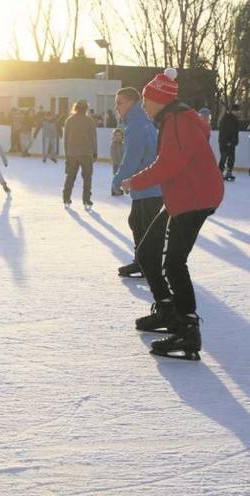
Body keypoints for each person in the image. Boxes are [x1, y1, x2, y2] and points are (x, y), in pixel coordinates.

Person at [121, 68, 224, 361]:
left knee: (174, 263)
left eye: (146, 100)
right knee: (147, 252)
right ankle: (167, 311)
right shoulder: (172, 119)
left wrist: (135, 180)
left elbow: (169, 164)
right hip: (184, 195)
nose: (143, 105)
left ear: (160, 100)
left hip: (195, 197)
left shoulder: (177, 121)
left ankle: (188, 331)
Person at [111, 87, 164, 278]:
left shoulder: (136, 126)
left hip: (151, 186)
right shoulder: (142, 123)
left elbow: (132, 158)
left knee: (147, 225)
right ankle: (144, 262)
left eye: (120, 103)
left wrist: (117, 180)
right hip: (146, 186)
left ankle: (152, 265)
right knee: (137, 222)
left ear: (132, 103)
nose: (116, 108)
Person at [62, 100, 97, 209]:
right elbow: (93, 138)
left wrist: (67, 152)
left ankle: (66, 197)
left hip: (72, 153)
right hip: (86, 153)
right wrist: (95, 152)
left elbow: (65, 139)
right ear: (86, 108)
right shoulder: (89, 121)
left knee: (70, 176)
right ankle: (86, 200)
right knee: (87, 177)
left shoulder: (69, 120)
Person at [217, 103, 240, 181]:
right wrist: (228, 141)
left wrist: (235, 142)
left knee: (231, 158)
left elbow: (235, 132)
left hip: (231, 143)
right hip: (225, 142)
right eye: (236, 111)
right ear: (233, 110)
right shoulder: (228, 118)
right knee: (224, 157)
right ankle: (220, 173)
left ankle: (228, 173)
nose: (238, 112)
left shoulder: (234, 119)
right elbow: (225, 131)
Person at [110, 128, 124, 196]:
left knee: (120, 177)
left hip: (122, 163)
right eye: (116, 135)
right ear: (113, 136)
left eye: (119, 135)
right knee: (116, 177)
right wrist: (117, 163)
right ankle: (114, 190)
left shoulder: (123, 144)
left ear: (122, 136)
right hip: (116, 164)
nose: (117, 137)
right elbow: (113, 155)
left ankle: (117, 189)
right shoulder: (113, 145)